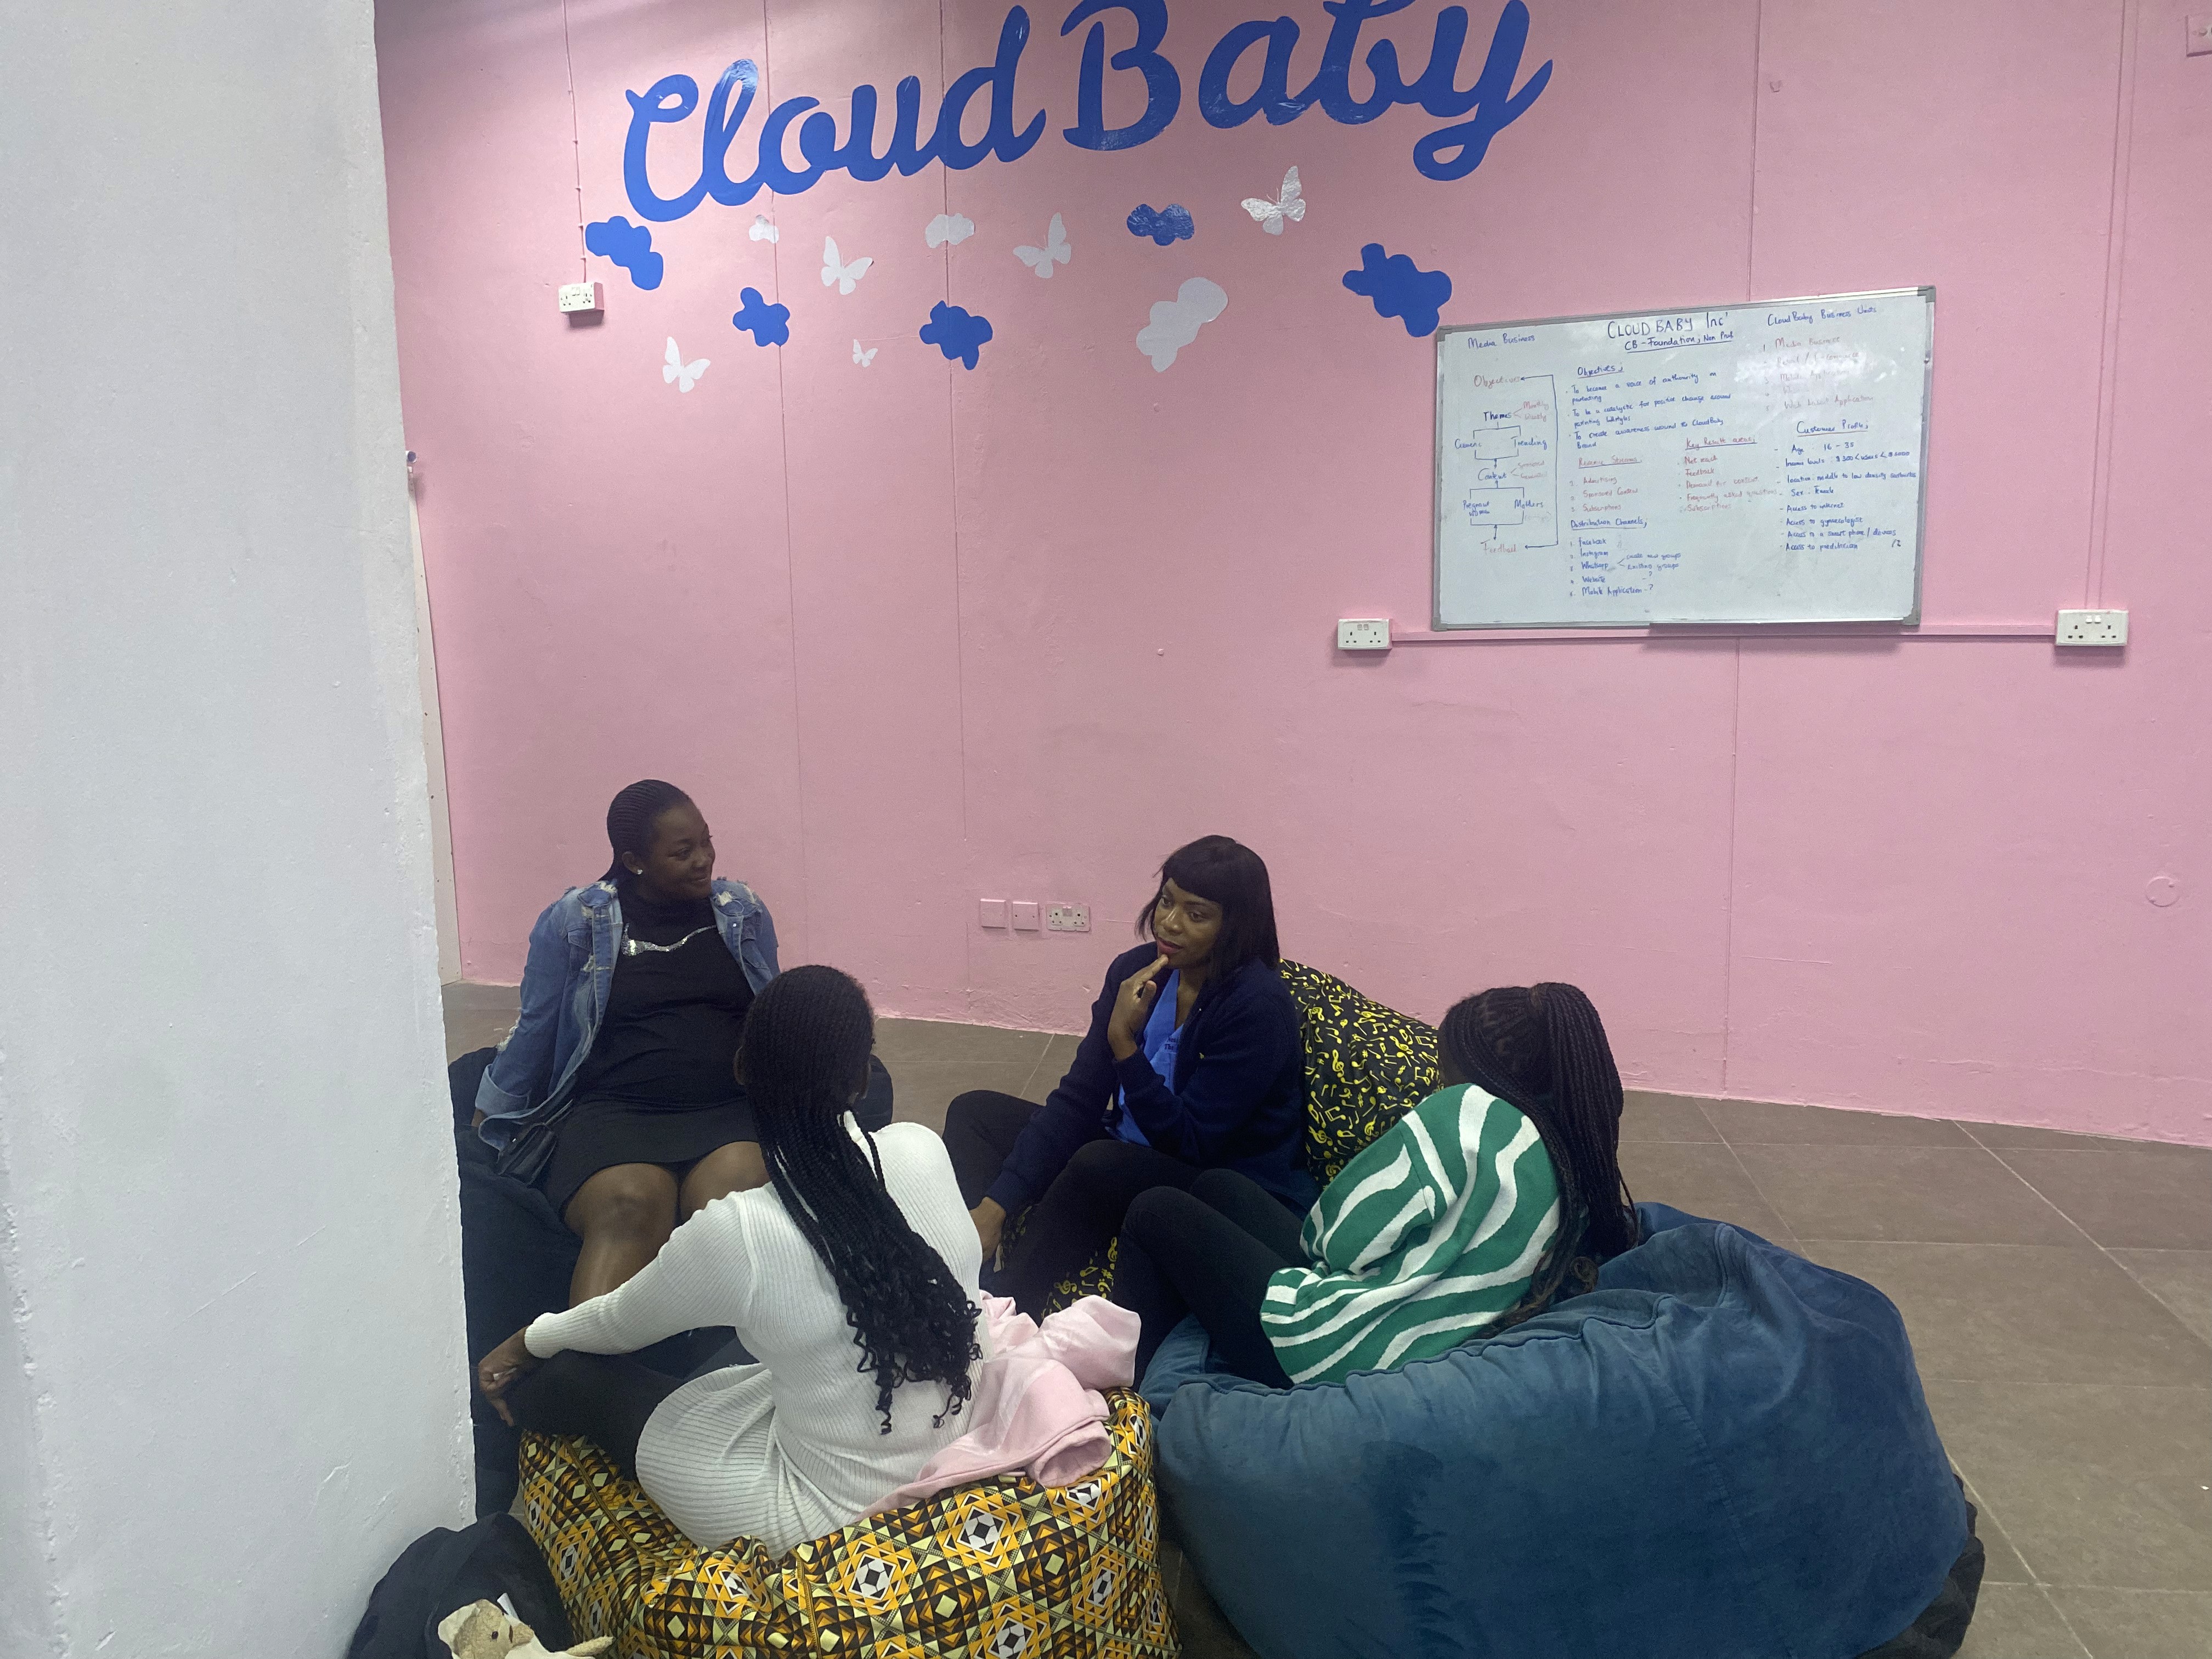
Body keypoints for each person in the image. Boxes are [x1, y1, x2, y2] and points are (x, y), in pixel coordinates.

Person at [475, 967, 983, 1555]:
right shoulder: (923, 1147)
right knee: (758, 1366)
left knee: (573, 1377)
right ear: (864, 1078)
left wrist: (528, 1341)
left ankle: (490, 1473)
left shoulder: (742, 1228)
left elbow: (614, 1322)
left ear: (741, 1071)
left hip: (829, 1521)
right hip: (956, 1447)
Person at [1110, 981, 1640, 1387]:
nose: (1439, 1082)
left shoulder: (1469, 1115)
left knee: (1156, 1210)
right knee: (1220, 1186)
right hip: (1430, 1334)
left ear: (1477, 1073)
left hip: (1348, 1352)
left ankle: (1120, 1397)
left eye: (1445, 1070)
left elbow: (1341, 1240)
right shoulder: (1566, 1146)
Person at [943, 836, 1310, 1317]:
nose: (1169, 922)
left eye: (1196, 915)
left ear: (1235, 926)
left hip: (1220, 1181)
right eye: (1167, 901)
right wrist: (997, 1205)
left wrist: (1124, 1045)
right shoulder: (1135, 971)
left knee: (1099, 1163)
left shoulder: (1256, 1008)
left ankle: (1011, 1307)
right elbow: (1080, 1098)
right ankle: (972, 1272)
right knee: (973, 1113)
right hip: (1130, 1147)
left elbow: (1192, 1143)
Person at [473, 780, 781, 1304]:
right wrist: (489, 1116)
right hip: (615, 1112)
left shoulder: (742, 910)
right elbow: (537, 1028)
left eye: (706, 842)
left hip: (726, 1108)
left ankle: (721, 1353)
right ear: (634, 861)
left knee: (732, 1207)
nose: (703, 860)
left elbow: (775, 1012)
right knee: (631, 1205)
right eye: (682, 852)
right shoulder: (576, 921)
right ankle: (581, 1354)